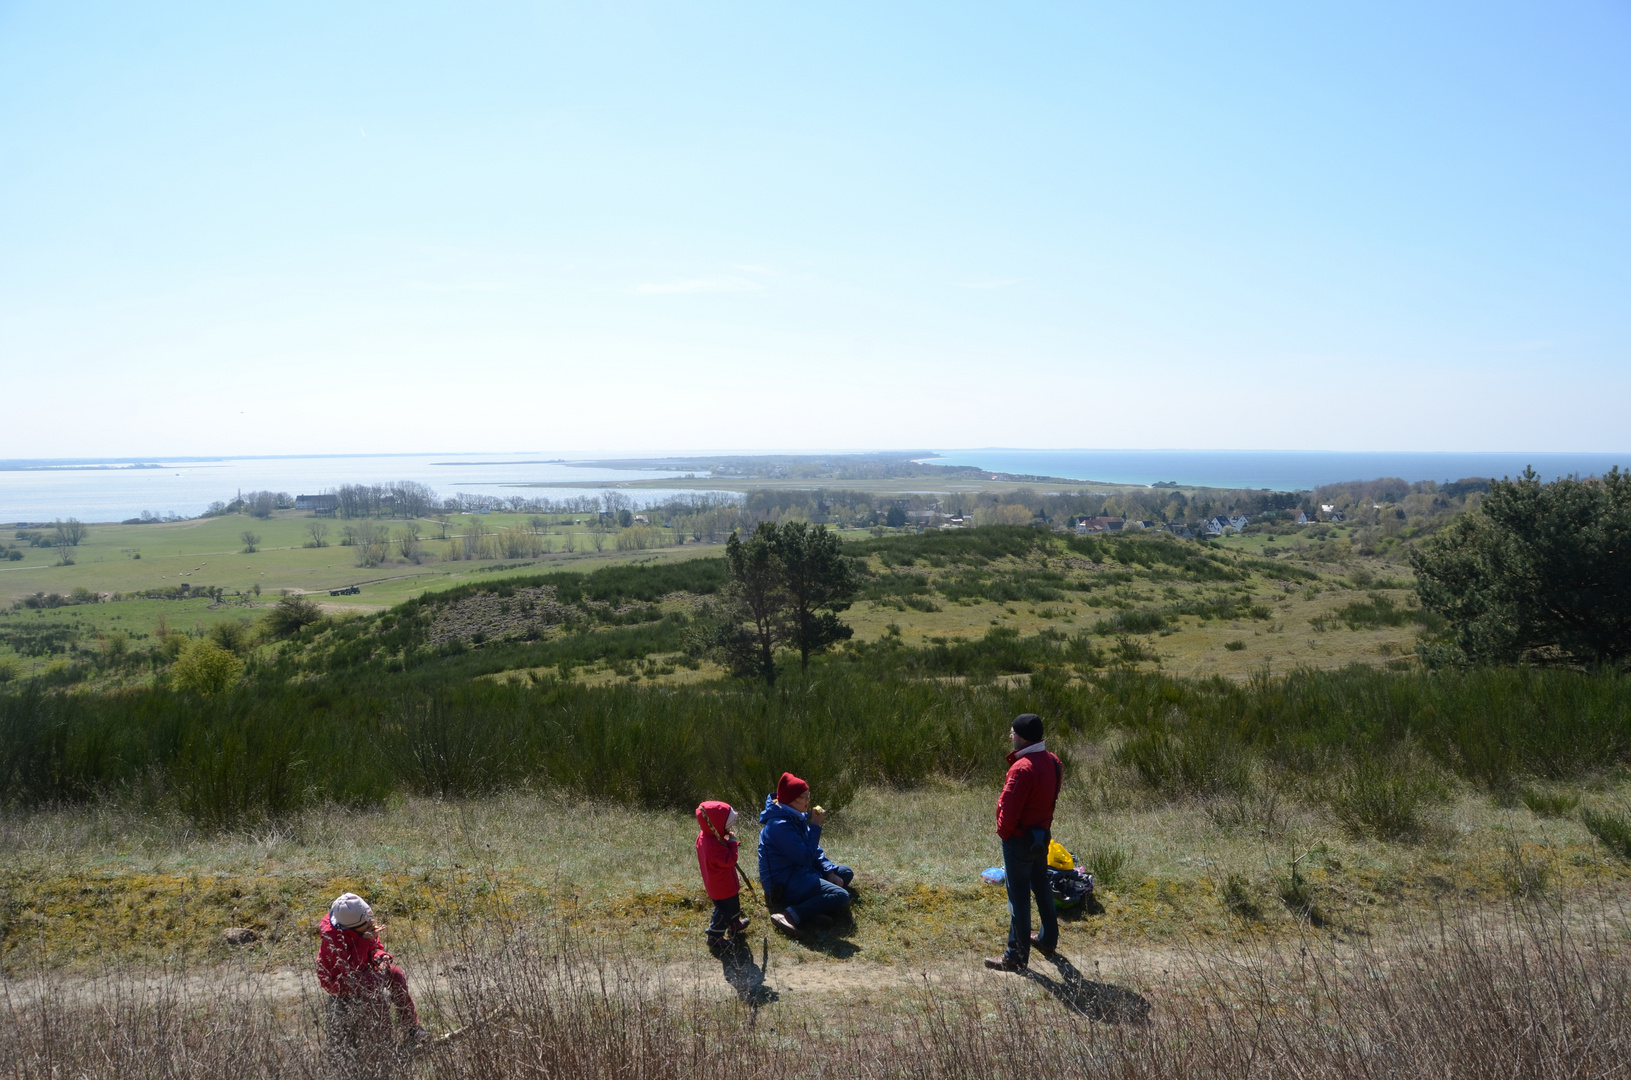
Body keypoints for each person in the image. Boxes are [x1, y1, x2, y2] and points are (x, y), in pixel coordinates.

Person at [984, 713, 1063, 972]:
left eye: (1012, 733)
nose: (1010, 737)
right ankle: (1048, 940)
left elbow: (1008, 809)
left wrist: (1005, 834)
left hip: (1018, 841)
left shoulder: (1022, 767)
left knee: (1018, 899)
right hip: (1041, 837)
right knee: (1042, 888)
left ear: (1021, 737)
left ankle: (1015, 957)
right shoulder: (1053, 761)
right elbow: (1052, 799)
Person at [317, 892, 432, 1052]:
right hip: (340, 981)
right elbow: (351, 968)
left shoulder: (362, 928)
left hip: (364, 969)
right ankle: (385, 1042)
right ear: (353, 927)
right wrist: (365, 941)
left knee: (395, 973)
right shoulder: (333, 940)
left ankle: (411, 1028)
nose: (372, 924)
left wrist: (381, 956)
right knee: (374, 985)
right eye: (368, 924)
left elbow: (375, 946)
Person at [758, 771, 853, 935]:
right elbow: (805, 858)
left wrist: (829, 871)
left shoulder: (794, 815)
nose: (809, 800)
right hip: (783, 882)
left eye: (808, 795)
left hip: (798, 871)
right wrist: (815, 826)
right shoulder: (779, 825)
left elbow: (813, 849)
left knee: (845, 873)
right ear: (791, 800)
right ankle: (790, 915)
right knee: (841, 895)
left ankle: (812, 909)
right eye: (804, 796)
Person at [696, 799, 752, 952]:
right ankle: (714, 936)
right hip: (721, 886)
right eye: (728, 823)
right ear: (716, 825)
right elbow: (730, 860)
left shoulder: (707, 837)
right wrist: (732, 843)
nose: (731, 826)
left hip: (722, 883)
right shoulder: (712, 845)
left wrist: (727, 842)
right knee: (724, 910)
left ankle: (734, 924)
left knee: (733, 903)